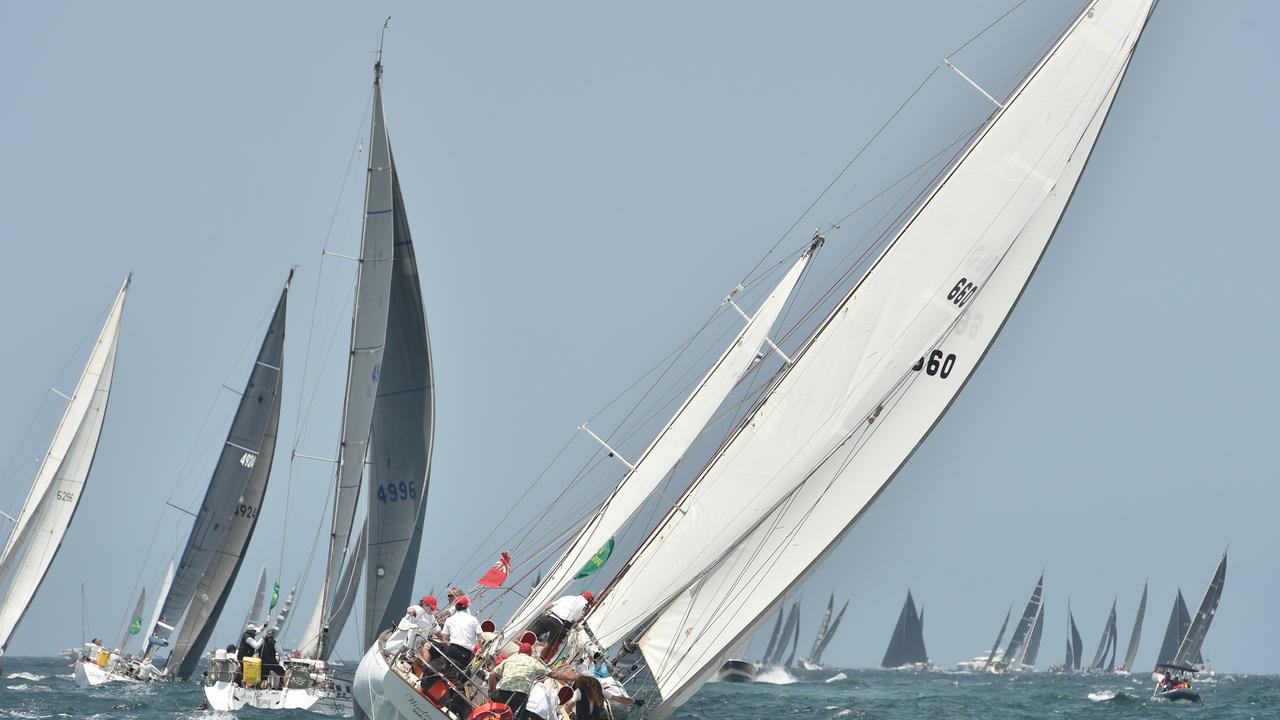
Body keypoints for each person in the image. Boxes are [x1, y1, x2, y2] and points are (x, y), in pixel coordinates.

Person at [488, 642, 547, 717]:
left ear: (519, 652)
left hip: (501, 694)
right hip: (518, 697)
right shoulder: (534, 662)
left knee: (493, 701)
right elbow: (551, 673)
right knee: (512, 712)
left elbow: (491, 675)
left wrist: (492, 690)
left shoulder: (510, 660)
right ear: (530, 654)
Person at [527, 591, 593, 650]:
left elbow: (548, 606)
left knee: (530, 633)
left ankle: (518, 642)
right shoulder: (586, 606)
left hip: (548, 617)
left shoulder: (568, 597)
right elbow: (578, 621)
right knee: (549, 646)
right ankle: (542, 656)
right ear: (588, 600)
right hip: (559, 625)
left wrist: (549, 611)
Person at [437, 594, 481, 680]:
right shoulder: (474, 620)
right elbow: (480, 639)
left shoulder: (450, 619)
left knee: (429, 646)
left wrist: (451, 643)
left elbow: (444, 639)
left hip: (452, 650)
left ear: (455, 606)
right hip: (466, 655)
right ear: (467, 606)